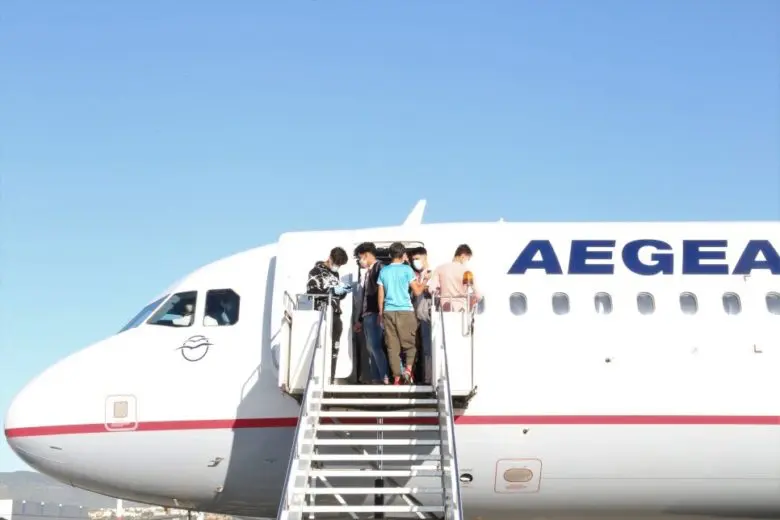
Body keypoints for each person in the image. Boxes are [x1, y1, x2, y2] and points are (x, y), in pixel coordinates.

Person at [377, 242, 424, 384]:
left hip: (388, 312)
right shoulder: (407, 270)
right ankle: (408, 370)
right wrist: (425, 281)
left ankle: (397, 378)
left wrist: (381, 313)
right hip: (405, 311)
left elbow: (381, 295)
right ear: (403, 255)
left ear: (390, 255)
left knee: (392, 347)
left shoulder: (383, 271)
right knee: (410, 344)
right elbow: (417, 291)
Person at [306, 247, 351, 379]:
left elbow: (337, 296)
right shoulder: (315, 272)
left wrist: (342, 292)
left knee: (334, 349)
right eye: (336, 263)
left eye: (340, 265)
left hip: (336, 313)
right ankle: (319, 376)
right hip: (322, 313)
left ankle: (330, 377)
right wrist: (332, 291)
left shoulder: (335, 274)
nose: (337, 267)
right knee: (322, 347)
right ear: (330, 258)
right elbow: (312, 292)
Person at [353, 242, 390, 384]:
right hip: (367, 314)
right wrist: (359, 319)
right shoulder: (368, 272)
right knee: (371, 347)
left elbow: (382, 290)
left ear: (366, 255)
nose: (360, 261)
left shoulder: (380, 268)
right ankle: (376, 377)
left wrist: (381, 311)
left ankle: (384, 375)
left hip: (375, 312)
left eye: (360, 258)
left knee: (375, 345)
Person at [428, 244, 482, 312]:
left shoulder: (439, 268)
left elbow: (431, 289)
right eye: (467, 259)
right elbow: (478, 295)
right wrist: (473, 300)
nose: (466, 262)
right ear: (463, 256)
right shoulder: (467, 272)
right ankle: (458, 308)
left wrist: (438, 291)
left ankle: (448, 305)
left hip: (444, 309)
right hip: (462, 309)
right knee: (463, 314)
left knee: (445, 314)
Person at [410, 247, 433, 383]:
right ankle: (425, 376)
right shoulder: (417, 276)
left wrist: (423, 286)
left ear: (425, 258)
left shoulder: (431, 274)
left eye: (417, 259)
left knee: (429, 349)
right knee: (422, 348)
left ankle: (429, 378)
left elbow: (431, 290)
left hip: (427, 317)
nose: (415, 262)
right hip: (418, 317)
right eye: (413, 259)